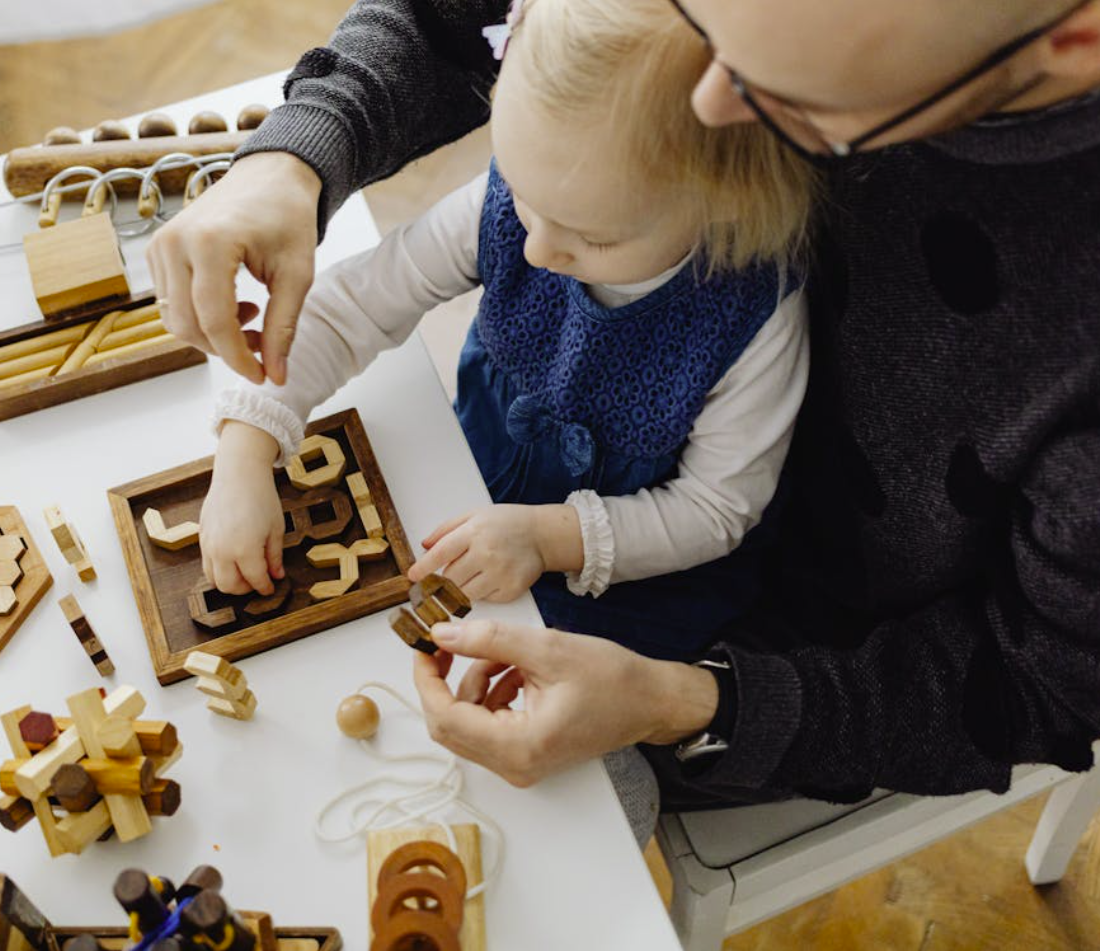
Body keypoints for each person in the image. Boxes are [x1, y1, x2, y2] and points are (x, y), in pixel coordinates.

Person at [148, 0, 1100, 817]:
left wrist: (681, 701)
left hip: (750, 641)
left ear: (1073, 42)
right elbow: (447, 36)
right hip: (495, 497)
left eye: (793, 100)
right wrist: (293, 158)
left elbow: (1015, 686)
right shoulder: (560, 183)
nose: (709, 95)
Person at [196, 0, 815, 665]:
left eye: (592, 237)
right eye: (521, 192)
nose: (537, 250)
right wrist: (245, 450)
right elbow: (348, 308)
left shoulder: (755, 314)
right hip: (471, 497)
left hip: (635, 588)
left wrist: (549, 538)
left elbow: (713, 510)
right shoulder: (529, 201)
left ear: (725, 203)